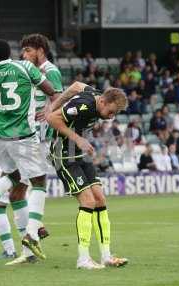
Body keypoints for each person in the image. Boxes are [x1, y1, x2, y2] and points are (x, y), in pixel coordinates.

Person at [0, 39, 63, 261]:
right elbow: (52, 92)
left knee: (11, 177)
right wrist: (49, 108)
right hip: (25, 136)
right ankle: (31, 233)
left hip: (1, 139)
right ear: (10, 52)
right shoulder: (26, 67)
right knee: (39, 183)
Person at [47, 85, 129, 269]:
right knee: (88, 201)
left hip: (79, 155)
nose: (111, 116)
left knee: (100, 199)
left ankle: (106, 256)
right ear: (102, 102)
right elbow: (52, 119)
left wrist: (55, 105)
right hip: (64, 156)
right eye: (110, 111)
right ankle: (83, 259)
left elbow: (76, 85)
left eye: (114, 113)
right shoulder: (84, 105)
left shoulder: (98, 96)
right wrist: (78, 139)